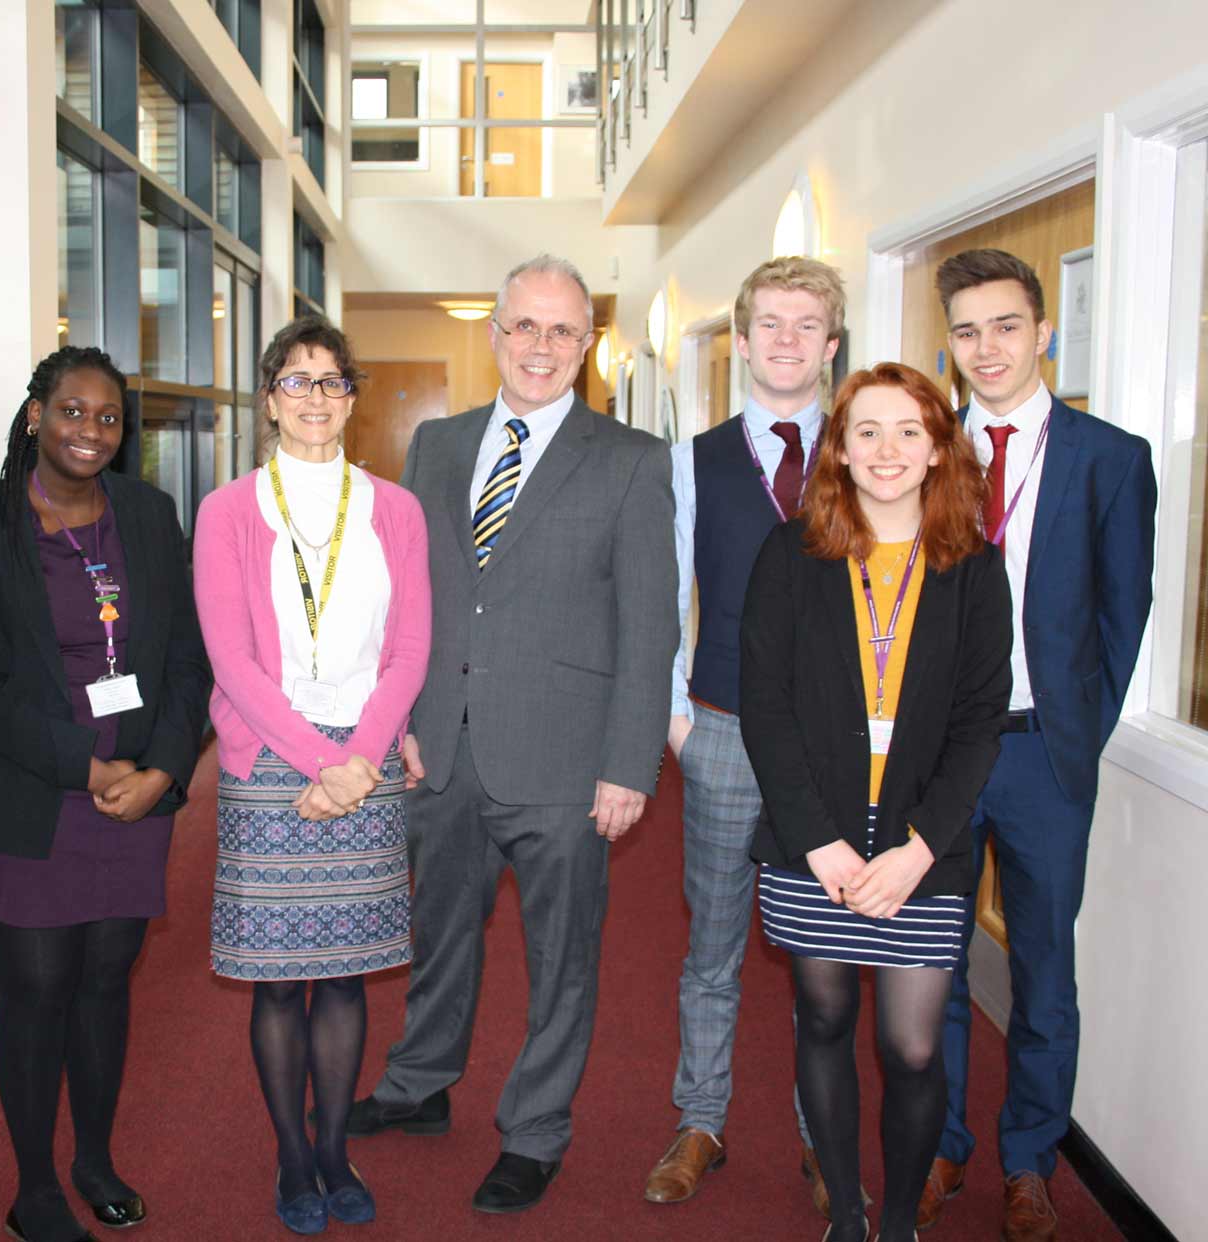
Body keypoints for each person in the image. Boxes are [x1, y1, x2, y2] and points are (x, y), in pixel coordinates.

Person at [345, 254, 679, 1215]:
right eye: (524, 327)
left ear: (587, 345)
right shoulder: (439, 445)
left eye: (562, 330)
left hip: (569, 763)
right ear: (495, 334)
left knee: (561, 958)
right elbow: (414, 600)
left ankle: (534, 1131)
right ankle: (419, 1086)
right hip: (443, 749)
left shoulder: (629, 459)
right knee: (438, 931)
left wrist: (630, 764)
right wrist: (407, 720)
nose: (541, 346)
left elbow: (651, 624)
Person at [0, 346, 210, 1242]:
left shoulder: (149, 512)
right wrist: (87, 770)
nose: (89, 431)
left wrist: (164, 771)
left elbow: (184, 658)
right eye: (71, 412)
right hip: (26, 797)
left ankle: (93, 1158)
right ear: (34, 417)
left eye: (106, 417)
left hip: (135, 797)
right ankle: (34, 1186)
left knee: (104, 981)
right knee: (38, 986)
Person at [740, 362, 1013, 1242]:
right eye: (866, 432)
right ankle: (847, 1220)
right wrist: (816, 841)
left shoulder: (974, 569)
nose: (887, 449)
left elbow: (979, 725)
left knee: (914, 1048)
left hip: (922, 855)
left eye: (907, 431)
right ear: (840, 450)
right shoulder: (792, 555)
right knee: (822, 1018)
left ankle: (898, 1221)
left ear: (938, 449)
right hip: (812, 845)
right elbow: (767, 709)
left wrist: (922, 847)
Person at [922, 249, 1156, 1242]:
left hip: (1039, 758)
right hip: (935, 754)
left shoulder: (1111, 457)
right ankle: (939, 1143)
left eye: (1005, 326)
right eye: (967, 331)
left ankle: (1029, 1160)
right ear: (949, 343)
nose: (986, 349)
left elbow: (1121, 613)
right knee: (926, 961)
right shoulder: (919, 451)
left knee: (1042, 970)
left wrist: (1077, 737)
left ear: (1043, 330)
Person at [194, 316, 431, 1234]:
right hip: (270, 761)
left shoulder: (394, 509)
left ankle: (334, 1148)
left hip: (367, 758)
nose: (316, 398)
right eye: (298, 381)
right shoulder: (228, 512)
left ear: (351, 398)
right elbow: (233, 659)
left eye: (333, 381)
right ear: (269, 398)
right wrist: (326, 764)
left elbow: (409, 647)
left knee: (342, 975)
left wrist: (361, 757)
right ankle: (292, 1161)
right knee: (275, 980)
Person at [645, 256, 848, 1211]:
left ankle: (823, 1136)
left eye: (806, 325)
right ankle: (700, 1122)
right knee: (714, 945)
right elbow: (661, 602)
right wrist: (675, 723)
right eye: (769, 322)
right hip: (721, 733)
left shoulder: (868, 450)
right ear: (743, 337)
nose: (786, 340)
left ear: (832, 344)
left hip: (836, 751)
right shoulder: (691, 459)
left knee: (825, 956)